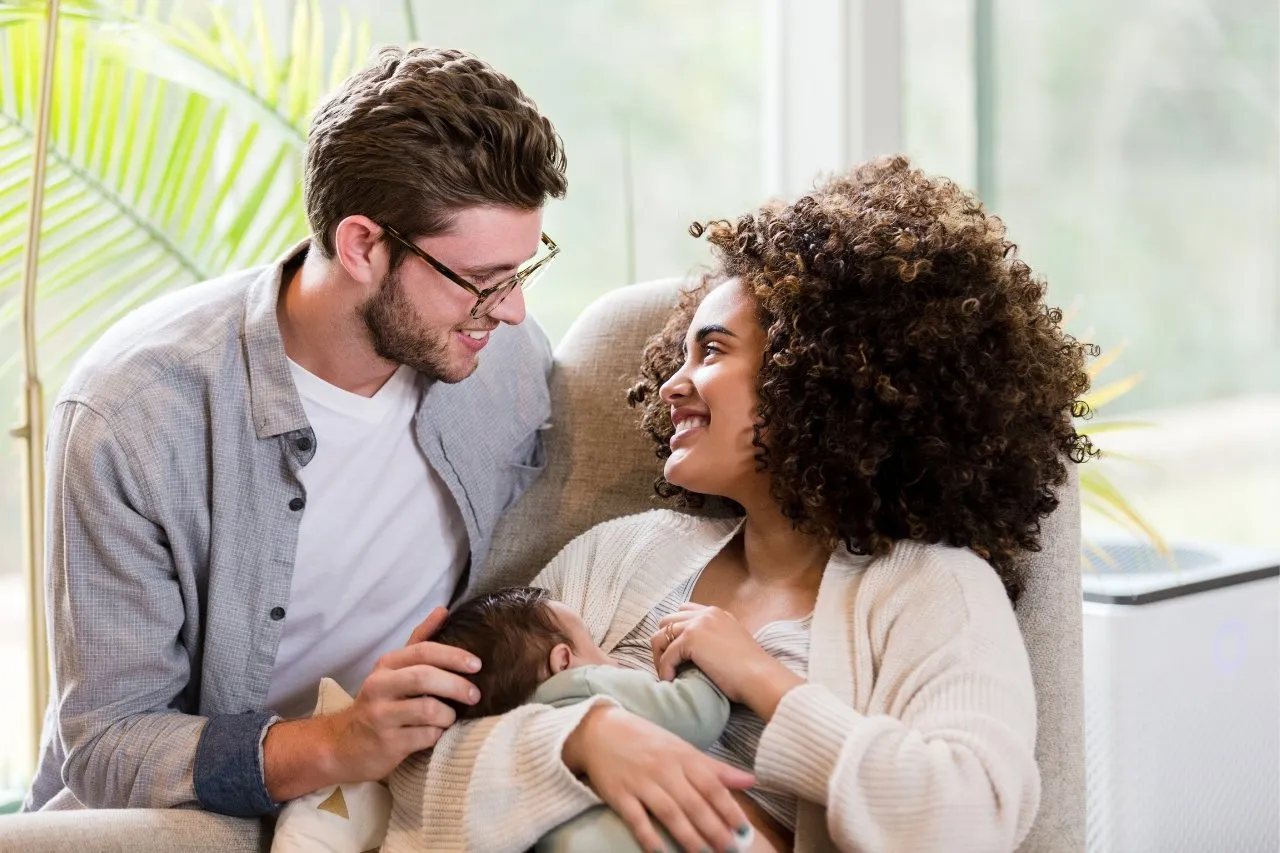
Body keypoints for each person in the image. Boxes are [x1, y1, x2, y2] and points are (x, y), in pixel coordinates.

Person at [386, 156, 1098, 853]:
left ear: (820, 377)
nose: (672, 384)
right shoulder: (622, 554)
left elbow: (970, 817)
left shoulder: (934, 589)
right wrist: (582, 739)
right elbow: (415, 764)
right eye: (683, 355)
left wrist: (758, 676)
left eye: (714, 351)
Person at [24, 46, 569, 817]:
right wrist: (338, 741)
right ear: (362, 246)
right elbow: (109, 746)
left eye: (522, 272)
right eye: (481, 282)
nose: (512, 311)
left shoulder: (505, 360)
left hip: (393, 801)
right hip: (171, 816)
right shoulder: (137, 416)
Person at [426, 585, 762, 853]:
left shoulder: (508, 739)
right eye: (595, 645)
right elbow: (694, 715)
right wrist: (697, 662)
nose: (611, 662)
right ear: (563, 660)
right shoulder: (587, 684)